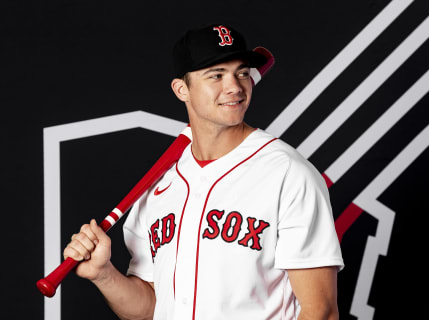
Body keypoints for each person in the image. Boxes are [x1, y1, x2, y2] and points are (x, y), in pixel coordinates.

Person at [63, 23, 344, 320]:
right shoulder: (160, 185)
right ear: (181, 89)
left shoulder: (288, 173)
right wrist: (104, 274)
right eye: (216, 75)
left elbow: (321, 311)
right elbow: (149, 310)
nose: (235, 86)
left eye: (242, 72)